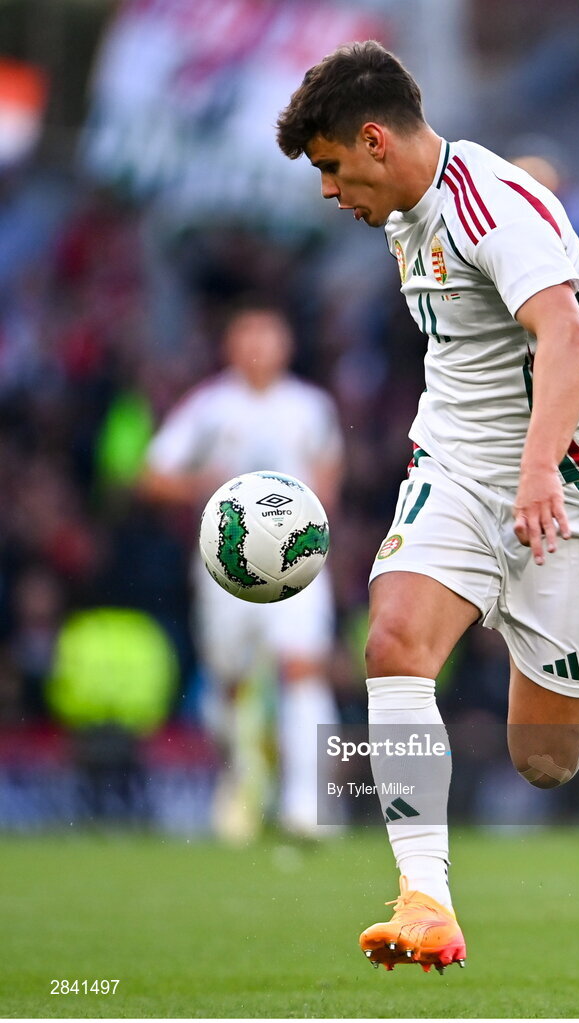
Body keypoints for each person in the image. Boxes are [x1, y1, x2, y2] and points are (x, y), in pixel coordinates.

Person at [276, 41, 579, 971]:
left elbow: (564, 335)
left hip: (557, 483)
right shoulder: (405, 213)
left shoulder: (489, 202)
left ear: (374, 140)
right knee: (393, 640)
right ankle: (426, 899)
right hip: (453, 461)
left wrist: (552, 462)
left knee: (545, 757)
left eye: (332, 166)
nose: (331, 191)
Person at [140, 302, 343, 840]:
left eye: (269, 337)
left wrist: (298, 522)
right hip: (224, 563)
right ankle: (242, 780)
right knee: (229, 681)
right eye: (247, 336)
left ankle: (308, 805)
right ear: (230, 346)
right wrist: (206, 484)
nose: (259, 348)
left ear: (287, 345)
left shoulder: (310, 406)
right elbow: (153, 474)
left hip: (295, 560)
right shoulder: (209, 407)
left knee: (301, 668)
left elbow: (328, 476)